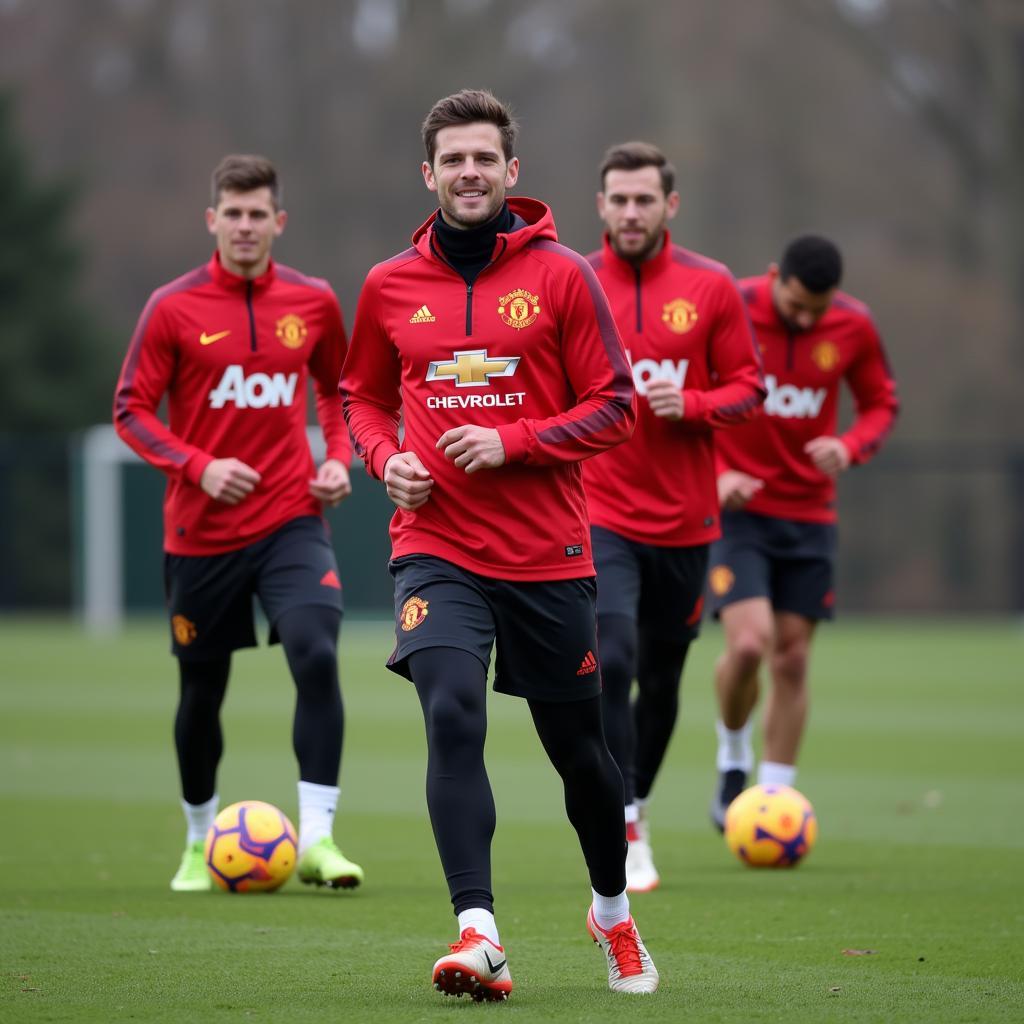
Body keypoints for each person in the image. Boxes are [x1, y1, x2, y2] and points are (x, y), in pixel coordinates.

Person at [340, 89, 659, 999]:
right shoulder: (387, 284)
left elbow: (616, 407)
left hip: (548, 556)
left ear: (511, 172)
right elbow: (358, 394)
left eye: (486, 158)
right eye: (454, 160)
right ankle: (479, 934)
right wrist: (383, 455)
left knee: (580, 755)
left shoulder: (563, 275)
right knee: (449, 712)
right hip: (434, 547)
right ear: (428, 173)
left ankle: (612, 915)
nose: (469, 173)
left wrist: (513, 441)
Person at [113, 154, 364, 892]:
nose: (246, 225)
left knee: (317, 653)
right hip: (200, 534)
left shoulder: (313, 301)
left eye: (260, 214)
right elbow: (130, 409)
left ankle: (317, 839)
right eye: (234, 212)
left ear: (278, 222)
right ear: (213, 220)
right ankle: (199, 840)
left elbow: (341, 389)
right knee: (202, 692)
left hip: (292, 517)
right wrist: (199, 467)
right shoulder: (173, 306)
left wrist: (341, 459)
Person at [583, 142, 765, 892]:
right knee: (613, 660)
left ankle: (640, 802)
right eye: (619, 200)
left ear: (669, 206)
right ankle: (624, 825)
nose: (631, 213)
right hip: (598, 512)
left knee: (660, 681)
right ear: (601, 205)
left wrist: (688, 405)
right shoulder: (574, 279)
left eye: (644, 200)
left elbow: (749, 387)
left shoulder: (711, 284)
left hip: (687, 523)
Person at [708, 235, 899, 828]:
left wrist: (849, 445)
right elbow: (686, 400)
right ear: (773, 278)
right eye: (794, 307)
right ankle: (733, 755)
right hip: (736, 513)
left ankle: (772, 803)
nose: (805, 318)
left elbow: (880, 404)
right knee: (747, 645)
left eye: (817, 310)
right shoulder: (730, 306)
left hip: (809, 516)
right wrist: (717, 473)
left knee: (791, 659)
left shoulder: (853, 324)